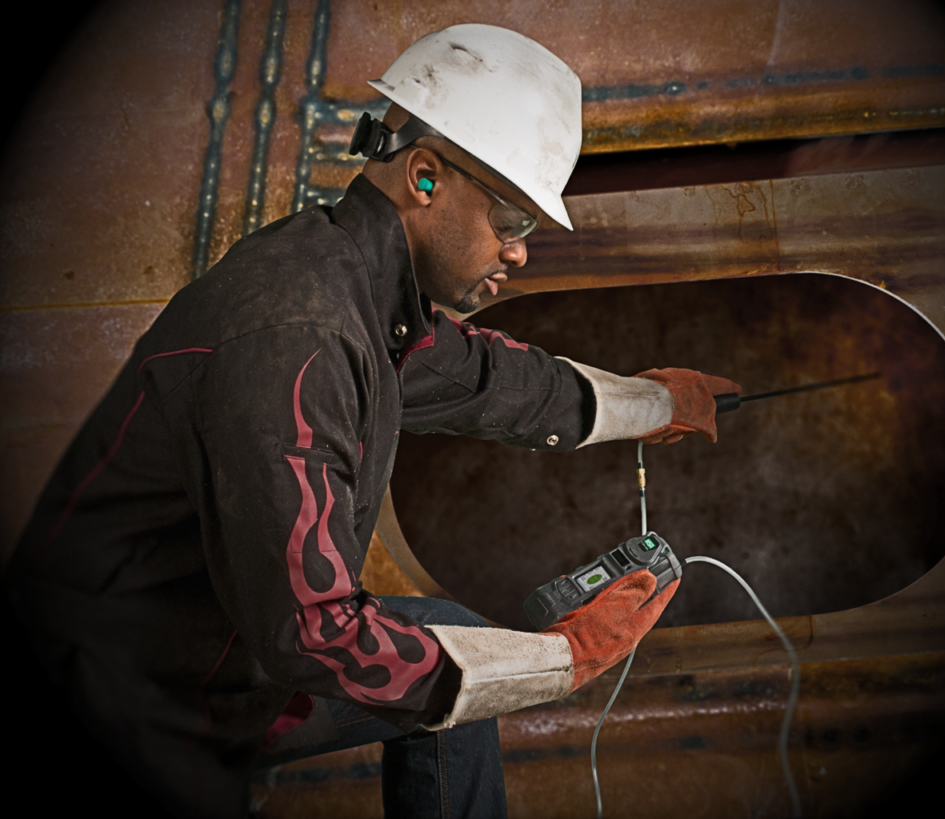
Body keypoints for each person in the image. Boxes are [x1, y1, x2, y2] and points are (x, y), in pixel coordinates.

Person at [3, 24, 740, 818]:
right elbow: (316, 634)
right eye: (513, 222)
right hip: (136, 699)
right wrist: (563, 658)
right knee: (437, 667)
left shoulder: (364, 296)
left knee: (447, 637)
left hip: (227, 659)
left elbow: (493, 379)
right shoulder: (300, 335)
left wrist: (656, 403)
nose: (519, 253)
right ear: (425, 178)